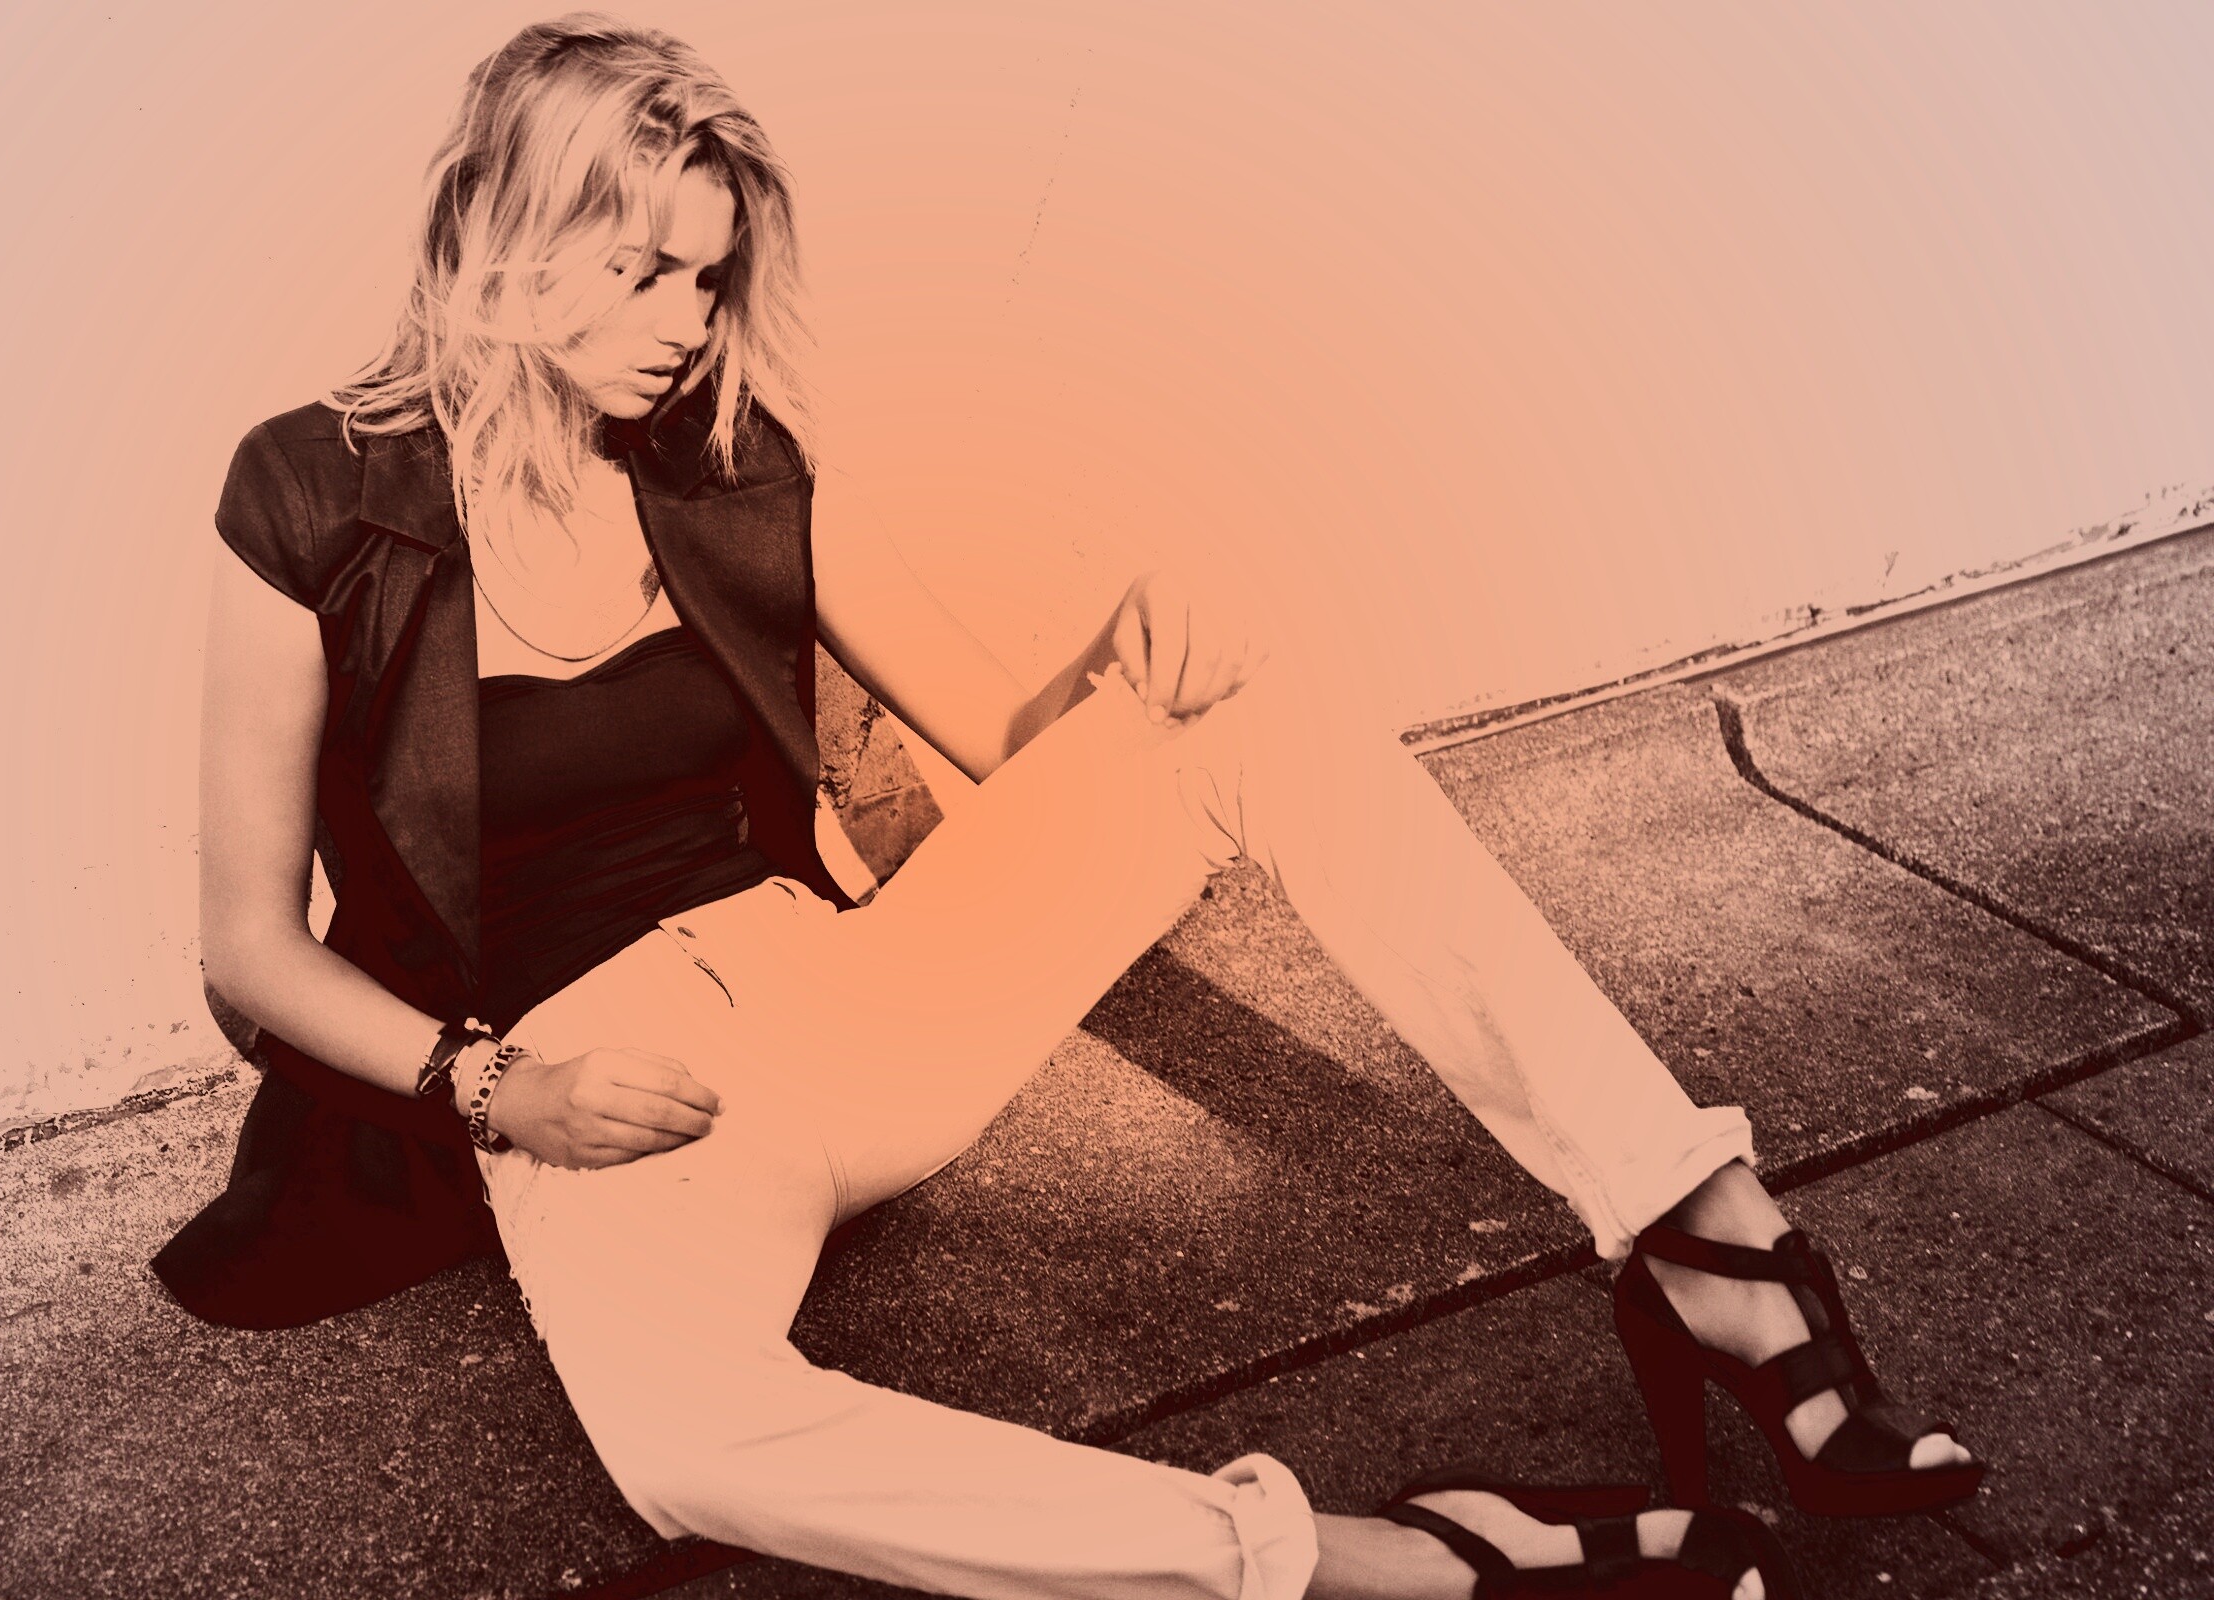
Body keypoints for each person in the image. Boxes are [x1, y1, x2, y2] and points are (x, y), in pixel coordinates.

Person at [159, 15, 1981, 1598]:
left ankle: (1708, 1235)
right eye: (643, 273)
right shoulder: (311, 497)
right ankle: (1396, 1565)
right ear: (503, 229)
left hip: (839, 1001)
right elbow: (246, 944)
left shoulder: (724, 458)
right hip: (589, 1087)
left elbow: (1001, 737)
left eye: (707, 279)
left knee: (1239, 715)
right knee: (693, 1448)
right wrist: (496, 1090)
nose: (687, 323)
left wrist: (1136, 637)